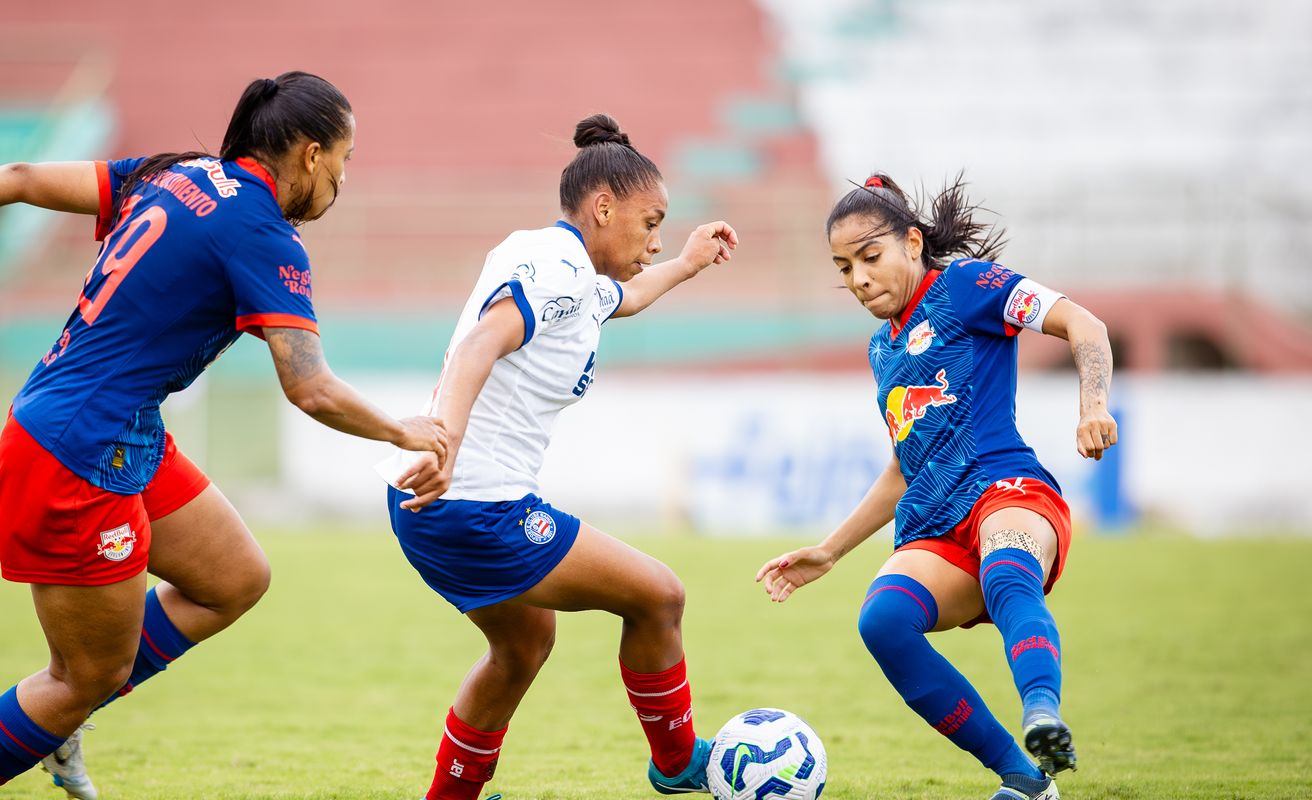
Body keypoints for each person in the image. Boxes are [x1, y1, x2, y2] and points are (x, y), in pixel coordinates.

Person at [0, 72, 448, 800]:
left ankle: (65, 716)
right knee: (85, 677)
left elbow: (19, 178)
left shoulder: (175, 174)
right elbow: (310, 387)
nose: (342, 177)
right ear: (308, 154)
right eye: (345, 159)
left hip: (115, 425)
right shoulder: (266, 235)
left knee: (235, 579)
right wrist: (407, 431)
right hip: (75, 451)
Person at [379, 114, 738, 800]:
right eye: (650, 221)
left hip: (431, 502)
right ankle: (677, 762)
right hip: (470, 503)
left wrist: (686, 264)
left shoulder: (560, 262)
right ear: (603, 206)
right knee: (659, 595)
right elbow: (482, 344)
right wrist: (444, 441)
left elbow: (622, 298)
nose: (655, 239)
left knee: (522, 645)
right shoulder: (558, 268)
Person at [755, 174, 1117, 800]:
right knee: (884, 621)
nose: (859, 279)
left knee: (1007, 571)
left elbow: (1084, 324)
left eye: (870, 257)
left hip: (1006, 489)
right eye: (844, 268)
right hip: (933, 519)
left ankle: (1041, 714)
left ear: (913, 243)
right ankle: (1025, 778)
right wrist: (831, 550)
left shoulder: (967, 285)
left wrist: (1093, 405)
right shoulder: (881, 350)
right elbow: (903, 465)